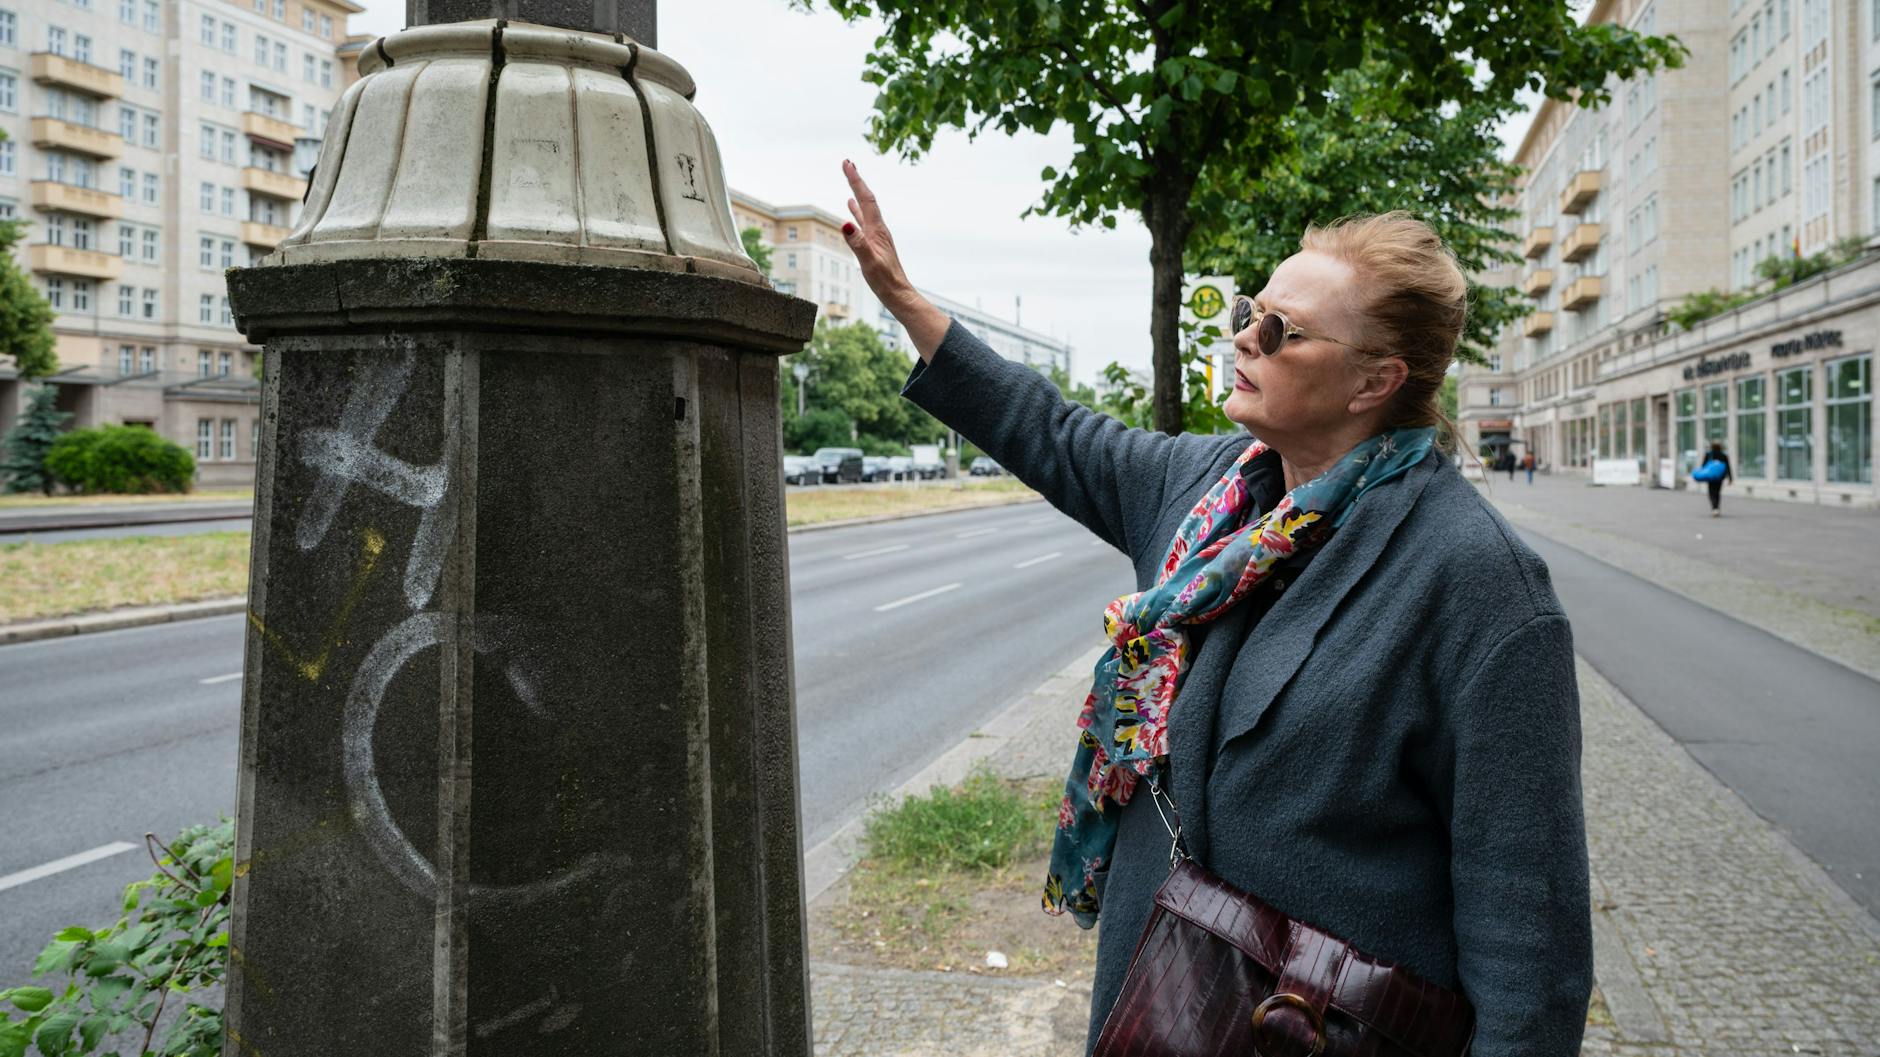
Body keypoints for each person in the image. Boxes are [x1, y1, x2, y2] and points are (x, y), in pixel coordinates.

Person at [838, 160, 1589, 1056]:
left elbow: (1529, 954)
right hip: (1161, 1007)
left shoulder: (1479, 584)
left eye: (1279, 331)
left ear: (1374, 381)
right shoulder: (1206, 491)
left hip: (1316, 1028)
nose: (1244, 339)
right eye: (1247, 312)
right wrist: (906, 300)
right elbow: (1050, 428)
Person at [1699, 440, 1733, 517]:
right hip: (1720, 478)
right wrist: (1730, 478)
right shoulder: (1723, 455)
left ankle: (1714, 508)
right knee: (1717, 493)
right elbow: (1728, 467)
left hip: (1710, 478)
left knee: (1711, 493)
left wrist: (1701, 474)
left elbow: (1703, 466)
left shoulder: (1708, 455)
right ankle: (1716, 508)